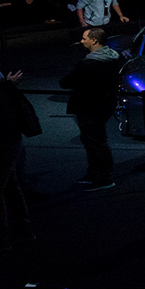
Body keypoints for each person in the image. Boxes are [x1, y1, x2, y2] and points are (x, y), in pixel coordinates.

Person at [0, 34, 38, 246]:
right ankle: (23, 230)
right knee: (10, 186)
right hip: (8, 143)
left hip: (0, 146)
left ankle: (1, 237)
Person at [59, 27, 122, 191]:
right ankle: (95, 172)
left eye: (84, 38)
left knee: (95, 142)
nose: (81, 41)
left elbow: (65, 82)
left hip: (88, 106)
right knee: (94, 141)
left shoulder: (88, 63)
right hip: (105, 105)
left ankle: (104, 177)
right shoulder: (114, 57)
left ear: (94, 41)